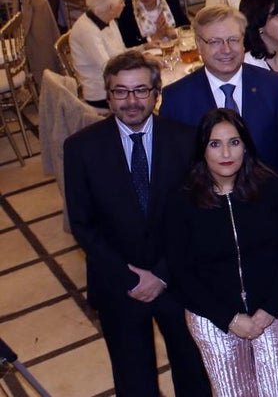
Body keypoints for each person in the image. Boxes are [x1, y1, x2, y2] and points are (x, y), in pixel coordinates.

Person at [64, 52, 213, 397]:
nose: (131, 101)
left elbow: (197, 216)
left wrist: (161, 274)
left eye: (141, 90)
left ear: (156, 93)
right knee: (134, 382)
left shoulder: (185, 140)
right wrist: (132, 278)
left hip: (178, 280)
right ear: (108, 95)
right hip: (118, 285)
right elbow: (83, 224)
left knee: (193, 373)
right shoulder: (80, 149)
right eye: (121, 91)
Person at [164, 108, 278, 397]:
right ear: (202, 149)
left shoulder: (271, 186)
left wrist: (269, 309)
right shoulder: (182, 200)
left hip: (273, 310)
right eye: (215, 144)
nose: (226, 153)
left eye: (234, 142)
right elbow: (180, 271)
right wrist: (228, 317)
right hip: (213, 318)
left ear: (246, 146)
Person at [160, 5, 278, 171]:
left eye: (233, 40)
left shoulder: (273, 86)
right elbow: (173, 163)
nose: (226, 50)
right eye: (215, 42)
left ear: (243, 42)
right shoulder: (176, 99)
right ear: (198, 45)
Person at [71, 0, 128, 106]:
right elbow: (109, 68)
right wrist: (144, 62)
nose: (124, 5)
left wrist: (144, 48)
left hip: (118, 81)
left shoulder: (108, 19)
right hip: (101, 93)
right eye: (121, 1)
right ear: (111, 7)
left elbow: (122, 53)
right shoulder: (87, 31)